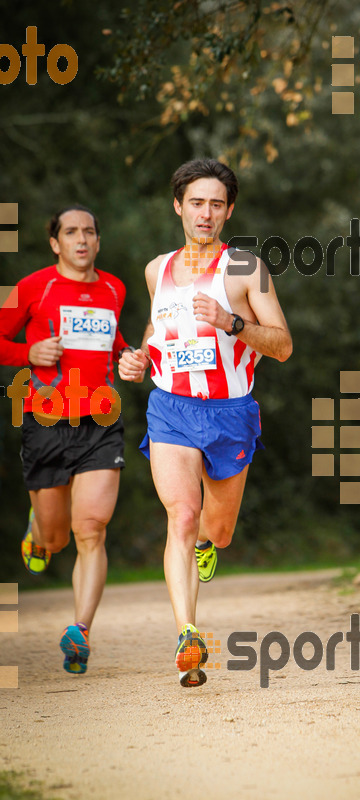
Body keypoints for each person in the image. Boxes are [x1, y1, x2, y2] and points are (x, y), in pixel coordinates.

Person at [119, 158, 292, 687]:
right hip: (171, 407)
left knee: (216, 529)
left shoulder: (246, 269)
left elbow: (282, 345)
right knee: (182, 515)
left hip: (230, 412)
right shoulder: (157, 269)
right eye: (197, 202)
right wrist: (139, 358)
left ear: (229, 210)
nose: (206, 212)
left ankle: (208, 548)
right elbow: (156, 329)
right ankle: (187, 635)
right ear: (179, 206)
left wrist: (232, 323)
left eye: (217, 203)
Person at [0, 205, 133, 674]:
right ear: (55, 242)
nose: (82, 239)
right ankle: (37, 529)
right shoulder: (35, 287)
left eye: (90, 232)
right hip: (47, 421)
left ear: (98, 240)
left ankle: (80, 629)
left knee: (91, 530)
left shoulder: (114, 288)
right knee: (56, 540)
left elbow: (114, 345)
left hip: (100, 421)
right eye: (71, 232)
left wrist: (131, 356)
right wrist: (27, 352)